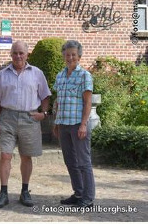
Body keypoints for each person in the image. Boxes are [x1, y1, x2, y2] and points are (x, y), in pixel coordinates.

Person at [0, 41, 51, 208]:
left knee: (26, 156)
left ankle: (25, 191)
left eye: (21, 53)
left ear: (27, 55)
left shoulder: (37, 73)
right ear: (11, 54)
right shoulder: (2, 75)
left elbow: (45, 96)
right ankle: (3, 193)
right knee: (5, 155)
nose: (18, 56)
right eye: (15, 53)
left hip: (29, 117)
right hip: (7, 117)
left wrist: (43, 114)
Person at [53, 40, 95, 208]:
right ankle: (78, 193)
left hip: (78, 125)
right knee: (70, 161)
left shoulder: (85, 75)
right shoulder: (60, 75)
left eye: (73, 55)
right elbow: (58, 101)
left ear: (79, 56)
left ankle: (88, 198)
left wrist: (84, 125)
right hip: (63, 124)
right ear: (64, 56)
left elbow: (88, 102)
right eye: (67, 54)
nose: (70, 57)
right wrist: (56, 122)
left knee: (84, 162)